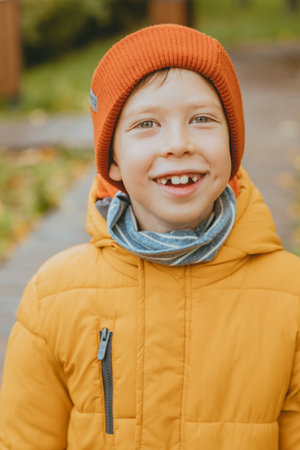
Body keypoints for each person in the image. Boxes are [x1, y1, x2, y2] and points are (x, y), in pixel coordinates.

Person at [0, 23, 300, 450]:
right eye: (146, 124)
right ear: (114, 161)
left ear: (233, 146)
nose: (177, 144)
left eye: (202, 119)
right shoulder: (53, 298)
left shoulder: (292, 297)